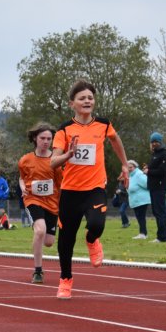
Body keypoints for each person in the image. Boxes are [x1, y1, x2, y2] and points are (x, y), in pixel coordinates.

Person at [50, 79, 131, 300]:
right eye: (82, 98)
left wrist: (124, 165)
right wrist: (68, 155)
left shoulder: (103, 124)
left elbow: (115, 140)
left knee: (96, 224)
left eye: (90, 98)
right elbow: (53, 162)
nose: (87, 101)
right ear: (72, 104)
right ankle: (65, 280)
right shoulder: (64, 130)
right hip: (70, 191)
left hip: (95, 187)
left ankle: (92, 239)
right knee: (66, 239)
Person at [18, 123, 64, 283]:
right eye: (42, 138)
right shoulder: (25, 160)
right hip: (33, 199)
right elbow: (21, 178)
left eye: (49, 139)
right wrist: (23, 188)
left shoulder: (55, 161)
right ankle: (38, 271)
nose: (46, 141)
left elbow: (60, 185)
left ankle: (39, 236)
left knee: (49, 242)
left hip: (52, 202)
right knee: (40, 231)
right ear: (34, 139)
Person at [146, 133, 166, 242]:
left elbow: (163, 171)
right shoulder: (155, 154)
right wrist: (148, 169)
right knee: (156, 211)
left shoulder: (165, 154)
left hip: (160, 187)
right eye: (152, 142)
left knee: (160, 212)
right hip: (153, 187)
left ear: (160, 142)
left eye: (156, 141)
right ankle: (164, 235)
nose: (154, 144)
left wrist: (149, 171)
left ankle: (162, 236)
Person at [127, 160, 150, 238]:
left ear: (135, 167)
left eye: (131, 167)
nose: (129, 169)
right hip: (136, 200)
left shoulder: (139, 174)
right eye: (128, 167)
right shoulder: (131, 175)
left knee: (141, 217)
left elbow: (147, 184)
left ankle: (143, 233)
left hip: (142, 200)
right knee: (139, 217)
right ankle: (143, 233)